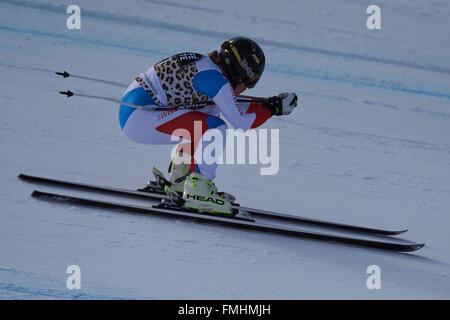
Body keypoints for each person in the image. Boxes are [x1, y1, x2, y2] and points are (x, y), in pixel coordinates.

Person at [119, 37, 298, 214]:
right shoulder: (215, 80)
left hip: (136, 114)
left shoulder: (209, 69)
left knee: (207, 116)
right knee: (215, 128)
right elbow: (241, 122)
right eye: (250, 82)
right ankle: (198, 189)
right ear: (240, 72)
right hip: (138, 117)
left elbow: (236, 105)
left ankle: (181, 180)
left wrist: (270, 105)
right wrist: (272, 109)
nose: (248, 88)